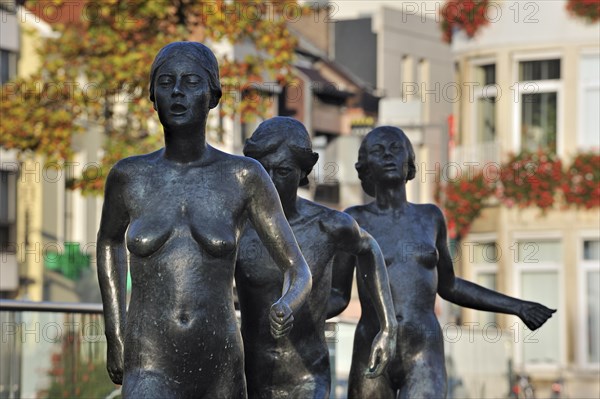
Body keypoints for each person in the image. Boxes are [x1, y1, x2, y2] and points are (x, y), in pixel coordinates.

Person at [97, 42, 312, 398]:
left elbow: (297, 266)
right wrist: (114, 334)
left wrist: (287, 302)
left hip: (219, 362)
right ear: (152, 96)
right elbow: (108, 243)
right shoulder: (129, 177)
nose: (178, 92)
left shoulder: (243, 176)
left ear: (213, 96)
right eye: (166, 82)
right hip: (149, 358)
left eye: (192, 81)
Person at [327, 126, 556, 399]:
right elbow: (338, 295)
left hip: (423, 348)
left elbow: (450, 286)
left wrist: (517, 306)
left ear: (409, 163)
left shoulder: (429, 218)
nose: (388, 155)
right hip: (371, 347)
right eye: (378, 150)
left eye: (396, 149)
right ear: (365, 166)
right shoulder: (353, 221)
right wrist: (288, 313)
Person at [236, 117, 397, 398]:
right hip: (249, 375)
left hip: (307, 375)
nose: (272, 180)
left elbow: (369, 249)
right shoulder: (237, 226)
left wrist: (388, 327)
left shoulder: (328, 226)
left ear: (302, 172)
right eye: (264, 170)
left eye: (283, 171)